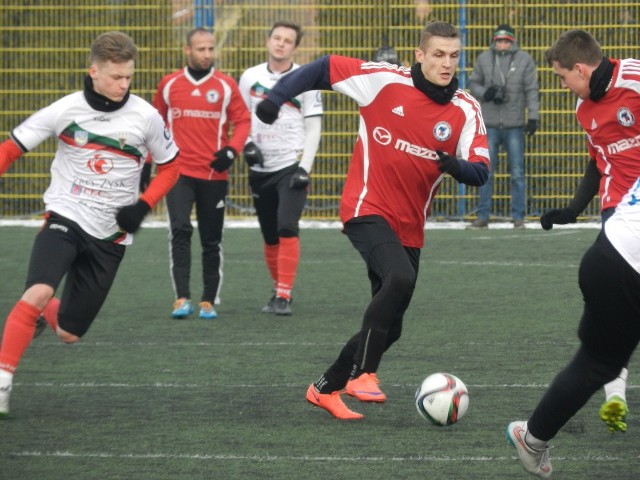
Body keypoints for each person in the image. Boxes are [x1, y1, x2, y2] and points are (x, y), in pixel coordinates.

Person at [257, 21, 490, 419]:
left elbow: (481, 171)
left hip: (410, 224)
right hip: (366, 207)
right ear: (420, 55)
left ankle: (325, 389)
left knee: (391, 326)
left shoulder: (465, 109)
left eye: (453, 55)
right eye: (438, 54)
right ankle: (363, 373)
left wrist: (455, 165)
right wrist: (276, 97)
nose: (446, 63)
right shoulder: (382, 80)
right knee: (399, 279)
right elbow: (324, 67)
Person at [0, 31, 180, 417]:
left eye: (129, 77)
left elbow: (171, 167)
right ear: (93, 71)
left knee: (69, 332)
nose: (123, 85)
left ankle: (47, 312)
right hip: (65, 216)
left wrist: (144, 205)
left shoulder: (146, 117)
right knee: (36, 291)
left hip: (111, 235)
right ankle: (2, 384)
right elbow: (11, 148)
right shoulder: (64, 110)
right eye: (116, 77)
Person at [507, 30, 640, 477]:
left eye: (563, 77)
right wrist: (571, 210)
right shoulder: (585, 109)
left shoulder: (635, 80)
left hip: (614, 247)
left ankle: (535, 436)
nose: (563, 86)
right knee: (603, 356)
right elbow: (597, 161)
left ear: (580, 69)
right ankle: (614, 389)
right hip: (620, 232)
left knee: (596, 360)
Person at [152, 27, 251, 320]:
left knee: (211, 239)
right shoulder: (169, 84)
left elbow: (243, 120)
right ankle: (182, 298)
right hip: (177, 173)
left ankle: (209, 299)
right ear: (187, 51)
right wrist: (151, 162)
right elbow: (155, 125)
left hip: (213, 176)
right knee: (180, 230)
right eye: (201, 49)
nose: (207, 54)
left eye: (211, 49)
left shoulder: (225, 85)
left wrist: (231, 151)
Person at [238, 21, 323, 316]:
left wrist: (305, 167)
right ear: (268, 40)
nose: (281, 44)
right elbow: (241, 117)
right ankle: (278, 290)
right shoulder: (250, 78)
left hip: (291, 165)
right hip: (261, 168)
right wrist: (247, 144)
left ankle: (284, 296)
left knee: (287, 225)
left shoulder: (305, 79)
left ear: (295, 47)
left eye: (288, 40)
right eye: (277, 38)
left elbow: (314, 126)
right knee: (270, 235)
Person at [468, 24, 539, 229]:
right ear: (494, 41)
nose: (502, 44)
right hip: (489, 123)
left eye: (506, 40)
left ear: (512, 42)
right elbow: (473, 84)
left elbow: (532, 90)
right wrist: (486, 93)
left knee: (517, 173)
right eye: (499, 40)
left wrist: (533, 117)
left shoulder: (524, 59)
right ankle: (483, 216)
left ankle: (518, 218)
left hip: (514, 124)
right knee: (485, 171)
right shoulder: (483, 58)